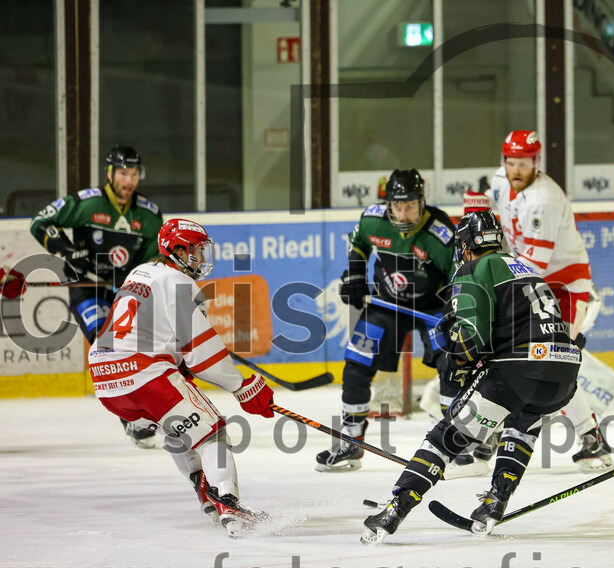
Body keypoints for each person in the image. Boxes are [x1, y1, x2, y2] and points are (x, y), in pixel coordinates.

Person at [361, 209, 582, 543]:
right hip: (563, 373)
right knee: (523, 421)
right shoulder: (528, 269)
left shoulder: (474, 268)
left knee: (445, 437)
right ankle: (495, 502)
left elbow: (471, 336)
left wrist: (459, 368)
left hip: (520, 368)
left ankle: (394, 509)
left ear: (465, 245)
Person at [88, 218, 276, 537]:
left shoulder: (139, 273)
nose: (203, 260)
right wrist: (241, 386)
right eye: (197, 252)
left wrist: (182, 365)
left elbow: (156, 334)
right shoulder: (181, 283)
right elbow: (202, 352)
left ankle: (205, 492)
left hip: (104, 378)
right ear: (176, 250)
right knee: (211, 432)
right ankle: (230, 505)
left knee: (181, 427)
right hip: (144, 372)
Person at [485, 130, 614, 472]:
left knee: (557, 363)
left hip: (564, 288)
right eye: (511, 162)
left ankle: (591, 438)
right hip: (531, 283)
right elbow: (493, 209)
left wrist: (489, 278)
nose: (516, 169)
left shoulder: (546, 199)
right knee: (513, 354)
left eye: (523, 163)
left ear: (536, 162)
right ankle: (499, 427)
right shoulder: (500, 181)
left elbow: (535, 265)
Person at [316, 169, 459, 472]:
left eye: (410, 205)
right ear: (388, 204)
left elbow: (457, 278)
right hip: (387, 303)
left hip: (432, 307)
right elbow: (357, 242)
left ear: (422, 202)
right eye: (397, 205)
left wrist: (454, 312)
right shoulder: (372, 220)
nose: (403, 212)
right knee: (356, 364)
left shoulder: (440, 232)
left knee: (452, 363)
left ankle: (454, 442)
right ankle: (351, 442)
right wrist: (355, 276)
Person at [29, 145, 164, 448]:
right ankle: (131, 417)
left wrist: (141, 281)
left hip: (123, 292)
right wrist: (64, 249)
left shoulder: (149, 215)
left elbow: (156, 259)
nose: (128, 181)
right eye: (122, 173)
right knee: (107, 342)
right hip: (85, 287)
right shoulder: (87, 204)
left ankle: (146, 409)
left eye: (133, 174)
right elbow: (40, 221)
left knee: (140, 348)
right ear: (109, 173)